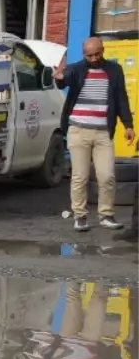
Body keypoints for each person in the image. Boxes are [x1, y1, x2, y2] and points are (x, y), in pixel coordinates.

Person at [56, 36, 134, 233]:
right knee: (79, 176)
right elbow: (65, 80)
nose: (93, 58)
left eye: (96, 54)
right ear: (84, 54)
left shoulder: (114, 70)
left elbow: (121, 98)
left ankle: (106, 215)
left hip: (103, 132)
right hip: (78, 130)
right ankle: (80, 216)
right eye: (88, 55)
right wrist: (59, 78)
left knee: (107, 175)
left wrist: (128, 125)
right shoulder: (76, 69)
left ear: (103, 50)